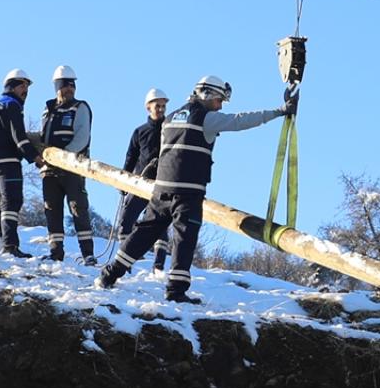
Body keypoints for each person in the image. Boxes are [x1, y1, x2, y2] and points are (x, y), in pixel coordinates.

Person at [96, 75, 296, 302]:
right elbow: (241, 121)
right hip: (188, 192)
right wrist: (280, 111)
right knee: (184, 239)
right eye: (219, 100)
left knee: (143, 233)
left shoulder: (170, 118)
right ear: (207, 94)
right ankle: (176, 291)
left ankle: (109, 275)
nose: (220, 106)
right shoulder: (206, 118)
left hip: (162, 189)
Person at [0, 69, 44, 258]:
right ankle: (10, 245)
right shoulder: (12, 105)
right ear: (11, 86)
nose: (26, 90)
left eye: (27, 87)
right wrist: (35, 158)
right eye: (22, 85)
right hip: (6, 158)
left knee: (8, 198)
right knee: (13, 199)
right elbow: (19, 137)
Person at [39, 65, 95, 264]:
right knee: (51, 210)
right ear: (57, 87)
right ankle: (56, 252)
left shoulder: (80, 108)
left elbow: (82, 137)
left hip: (73, 167)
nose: (69, 89)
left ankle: (88, 254)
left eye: (72, 85)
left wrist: (64, 157)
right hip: (49, 170)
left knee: (78, 208)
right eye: (65, 85)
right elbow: (42, 137)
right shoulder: (48, 110)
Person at [114, 87, 170, 269]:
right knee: (127, 218)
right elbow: (130, 157)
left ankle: (159, 264)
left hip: (162, 184)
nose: (161, 109)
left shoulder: (170, 130)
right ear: (148, 107)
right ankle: (125, 259)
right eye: (157, 106)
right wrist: (123, 181)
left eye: (163, 106)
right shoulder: (140, 132)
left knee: (159, 223)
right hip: (141, 183)